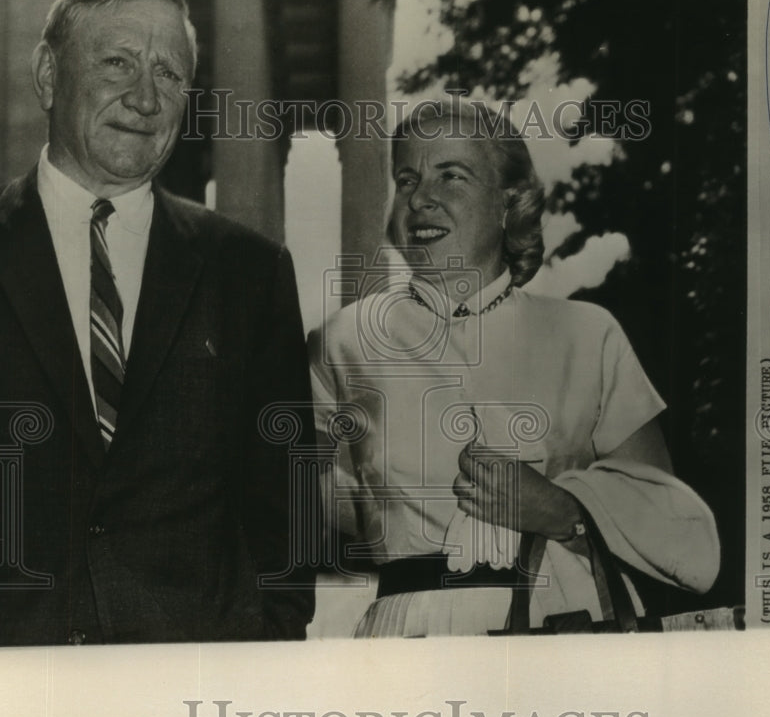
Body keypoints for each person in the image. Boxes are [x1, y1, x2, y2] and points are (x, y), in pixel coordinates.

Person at [0, 0, 316, 647]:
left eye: (170, 74)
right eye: (118, 62)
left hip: (187, 684)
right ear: (49, 74)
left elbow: (286, 513)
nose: (145, 97)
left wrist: (265, 646)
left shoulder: (250, 272)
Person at [308, 102, 720, 637]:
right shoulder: (341, 342)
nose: (419, 198)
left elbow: (679, 531)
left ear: (508, 202)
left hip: (572, 629)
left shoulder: (587, 334)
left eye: (450, 175)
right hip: (411, 637)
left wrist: (564, 510)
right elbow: (310, 514)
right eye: (406, 178)